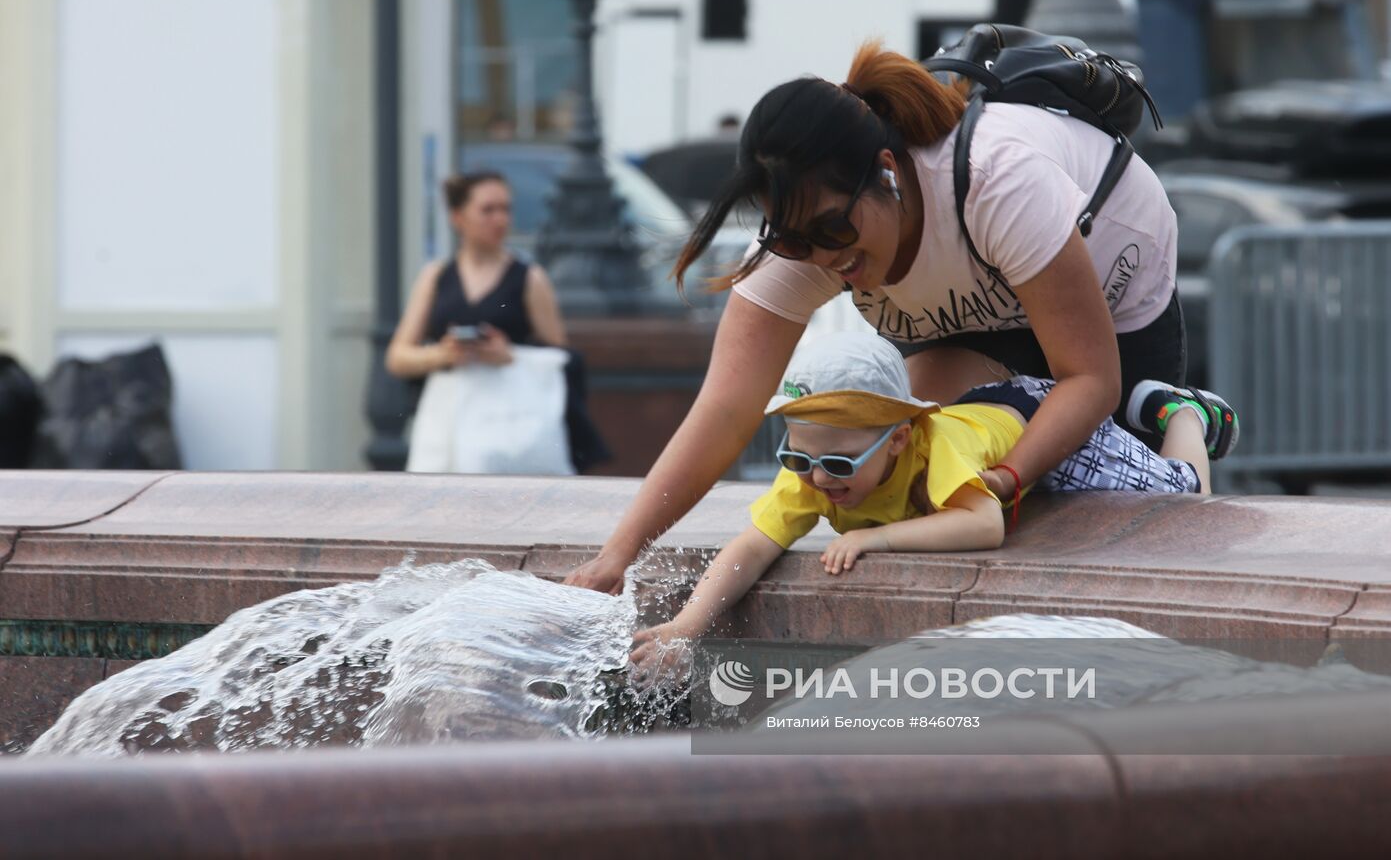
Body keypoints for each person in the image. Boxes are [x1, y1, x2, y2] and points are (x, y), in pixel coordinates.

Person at [567, 40, 1188, 594]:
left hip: (1108, 281)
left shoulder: (996, 182)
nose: (828, 258)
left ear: (887, 174)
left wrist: (1004, 480)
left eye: (836, 230)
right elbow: (726, 410)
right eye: (797, 241)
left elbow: (1089, 381)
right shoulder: (803, 240)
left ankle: (1186, 420)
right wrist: (617, 556)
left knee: (1127, 494)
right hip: (972, 319)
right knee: (904, 462)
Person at [628, 332, 1236, 682]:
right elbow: (752, 546)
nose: (817, 479)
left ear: (898, 439)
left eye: (839, 464)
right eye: (798, 459)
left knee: (1179, 500)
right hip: (983, 418)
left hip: (1035, 422)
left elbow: (983, 522)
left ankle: (1183, 413)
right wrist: (686, 626)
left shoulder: (935, 449)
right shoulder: (815, 469)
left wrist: (874, 538)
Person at [387, 170, 566, 383]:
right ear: (458, 217)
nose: (500, 219)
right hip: (449, 407)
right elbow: (397, 357)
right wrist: (442, 355)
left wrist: (511, 356)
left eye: (505, 209)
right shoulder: (436, 275)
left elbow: (560, 357)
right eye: (487, 210)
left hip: (512, 408)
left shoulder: (530, 277)